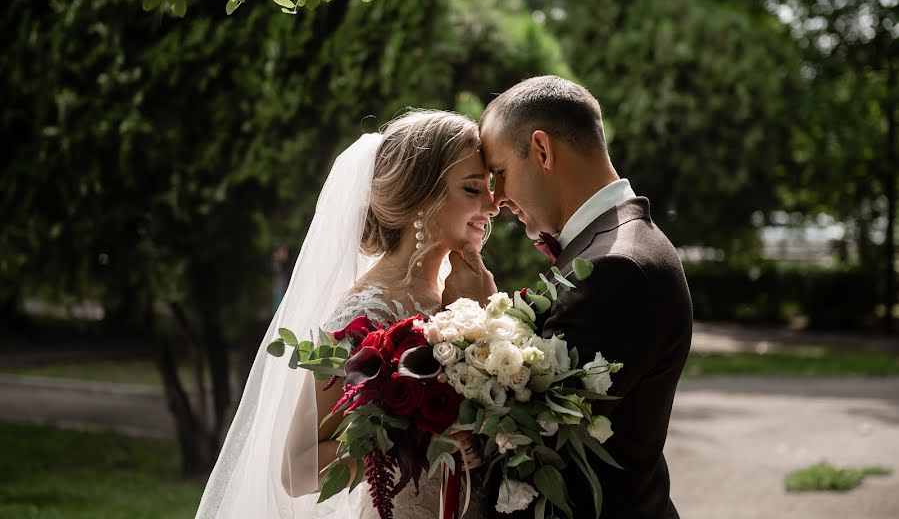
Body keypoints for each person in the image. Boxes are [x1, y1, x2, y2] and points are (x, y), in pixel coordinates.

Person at [195, 110, 498, 519]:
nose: (493, 205)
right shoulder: (365, 313)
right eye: (473, 188)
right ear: (421, 198)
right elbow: (296, 468)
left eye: (491, 188)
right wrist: (415, 434)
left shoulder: (463, 293)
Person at [445, 75, 693, 519]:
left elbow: (532, 432)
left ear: (542, 151)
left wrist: (479, 317)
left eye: (499, 174)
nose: (496, 200)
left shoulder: (619, 266)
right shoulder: (614, 244)